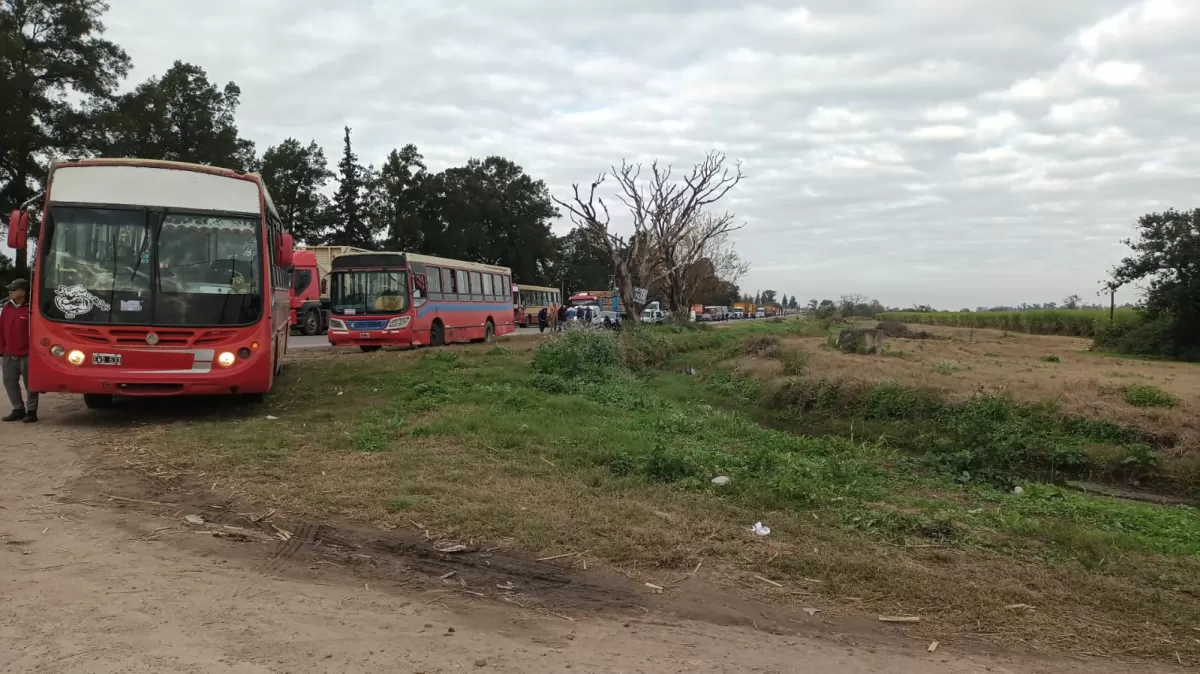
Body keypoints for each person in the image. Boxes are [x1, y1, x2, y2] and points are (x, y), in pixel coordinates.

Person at [0, 279, 37, 423]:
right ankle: (18, 409)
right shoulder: (7, 308)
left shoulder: (31, 309)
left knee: (31, 384)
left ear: (22, 292)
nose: (9, 292)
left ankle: (32, 411)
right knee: (9, 382)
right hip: (9, 353)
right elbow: (1, 329)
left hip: (28, 354)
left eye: (13, 289)